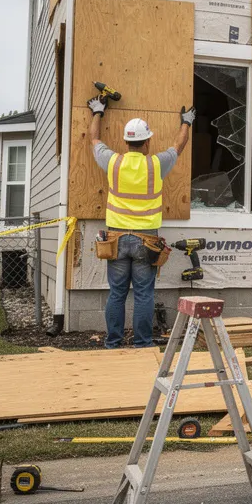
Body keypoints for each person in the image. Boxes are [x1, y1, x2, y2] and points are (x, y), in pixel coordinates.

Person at [87, 95, 193, 349]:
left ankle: (113, 343)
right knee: (144, 294)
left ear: (126, 140)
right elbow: (179, 144)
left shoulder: (113, 161)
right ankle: (142, 344)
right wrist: (186, 122)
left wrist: (98, 111)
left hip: (116, 240)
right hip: (147, 239)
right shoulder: (156, 164)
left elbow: (94, 139)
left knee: (117, 293)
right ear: (147, 142)